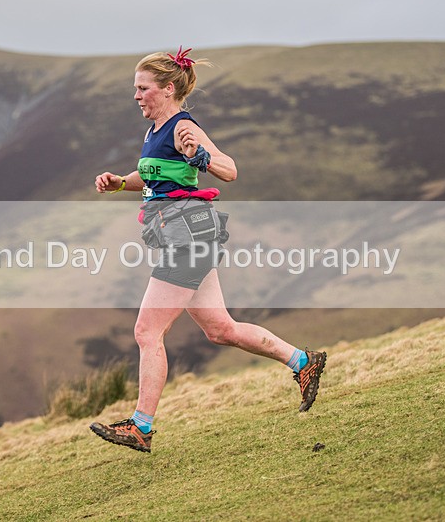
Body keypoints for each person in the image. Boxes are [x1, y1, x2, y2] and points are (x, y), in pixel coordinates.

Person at [90, 46, 326, 453]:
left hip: (189, 236)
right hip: (182, 233)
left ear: (166, 89)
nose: (136, 95)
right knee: (221, 329)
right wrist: (119, 182)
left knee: (147, 331)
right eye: (135, 88)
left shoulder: (184, 126)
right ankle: (303, 362)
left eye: (142, 88)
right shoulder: (154, 131)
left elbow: (228, 169)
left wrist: (200, 156)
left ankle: (141, 426)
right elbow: (154, 176)